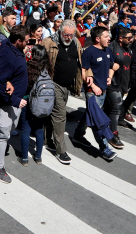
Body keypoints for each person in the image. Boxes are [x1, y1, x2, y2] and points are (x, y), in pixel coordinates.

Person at [41, 19, 89, 165]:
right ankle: (60, 150)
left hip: (67, 86)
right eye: (66, 34)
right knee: (60, 115)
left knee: (53, 114)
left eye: (71, 34)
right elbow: (40, 62)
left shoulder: (76, 42)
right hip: (53, 84)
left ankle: (47, 139)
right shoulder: (49, 42)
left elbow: (81, 61)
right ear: (60, 31)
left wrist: (88, 77)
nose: (68, 37)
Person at [72, 26, 118, 161]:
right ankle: (104, 148)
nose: (109, 39)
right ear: (97, 39)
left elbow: (112, 65)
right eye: (106, 36)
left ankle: (78, 135)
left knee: (90, 115)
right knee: (98, 120)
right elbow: (83, 72)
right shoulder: (89, 52)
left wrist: (109, 76)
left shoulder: (107, 50)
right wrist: (92, 86)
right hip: (93, 92)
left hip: (103, 90)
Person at [0, 24, 29, 183]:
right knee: (4, 134)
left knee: (9, 129)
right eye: (26, 41)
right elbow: (1, 82)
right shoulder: (8, 55)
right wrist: (15, 100)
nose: (28, 43)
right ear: (18, 41)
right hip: (9, 102)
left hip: (15, 102)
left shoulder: (13, 48)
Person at [17, 44, 49, 166]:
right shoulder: (47, 68)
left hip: (27, 101)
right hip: (42, 103)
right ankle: (38, 156)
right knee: (39, 129)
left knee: (26, 129)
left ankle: (25, 158)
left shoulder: (28, 67)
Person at [107, 27, 133, 140]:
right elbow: (107, 61)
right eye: (129, 38)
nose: (131, 40)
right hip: (113, 82)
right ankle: (112, 131)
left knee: (111, 107)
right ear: (120, 38)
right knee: (115, 107)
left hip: (124, 82)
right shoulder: (112, 47)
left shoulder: (128, 48)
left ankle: (108, 123)